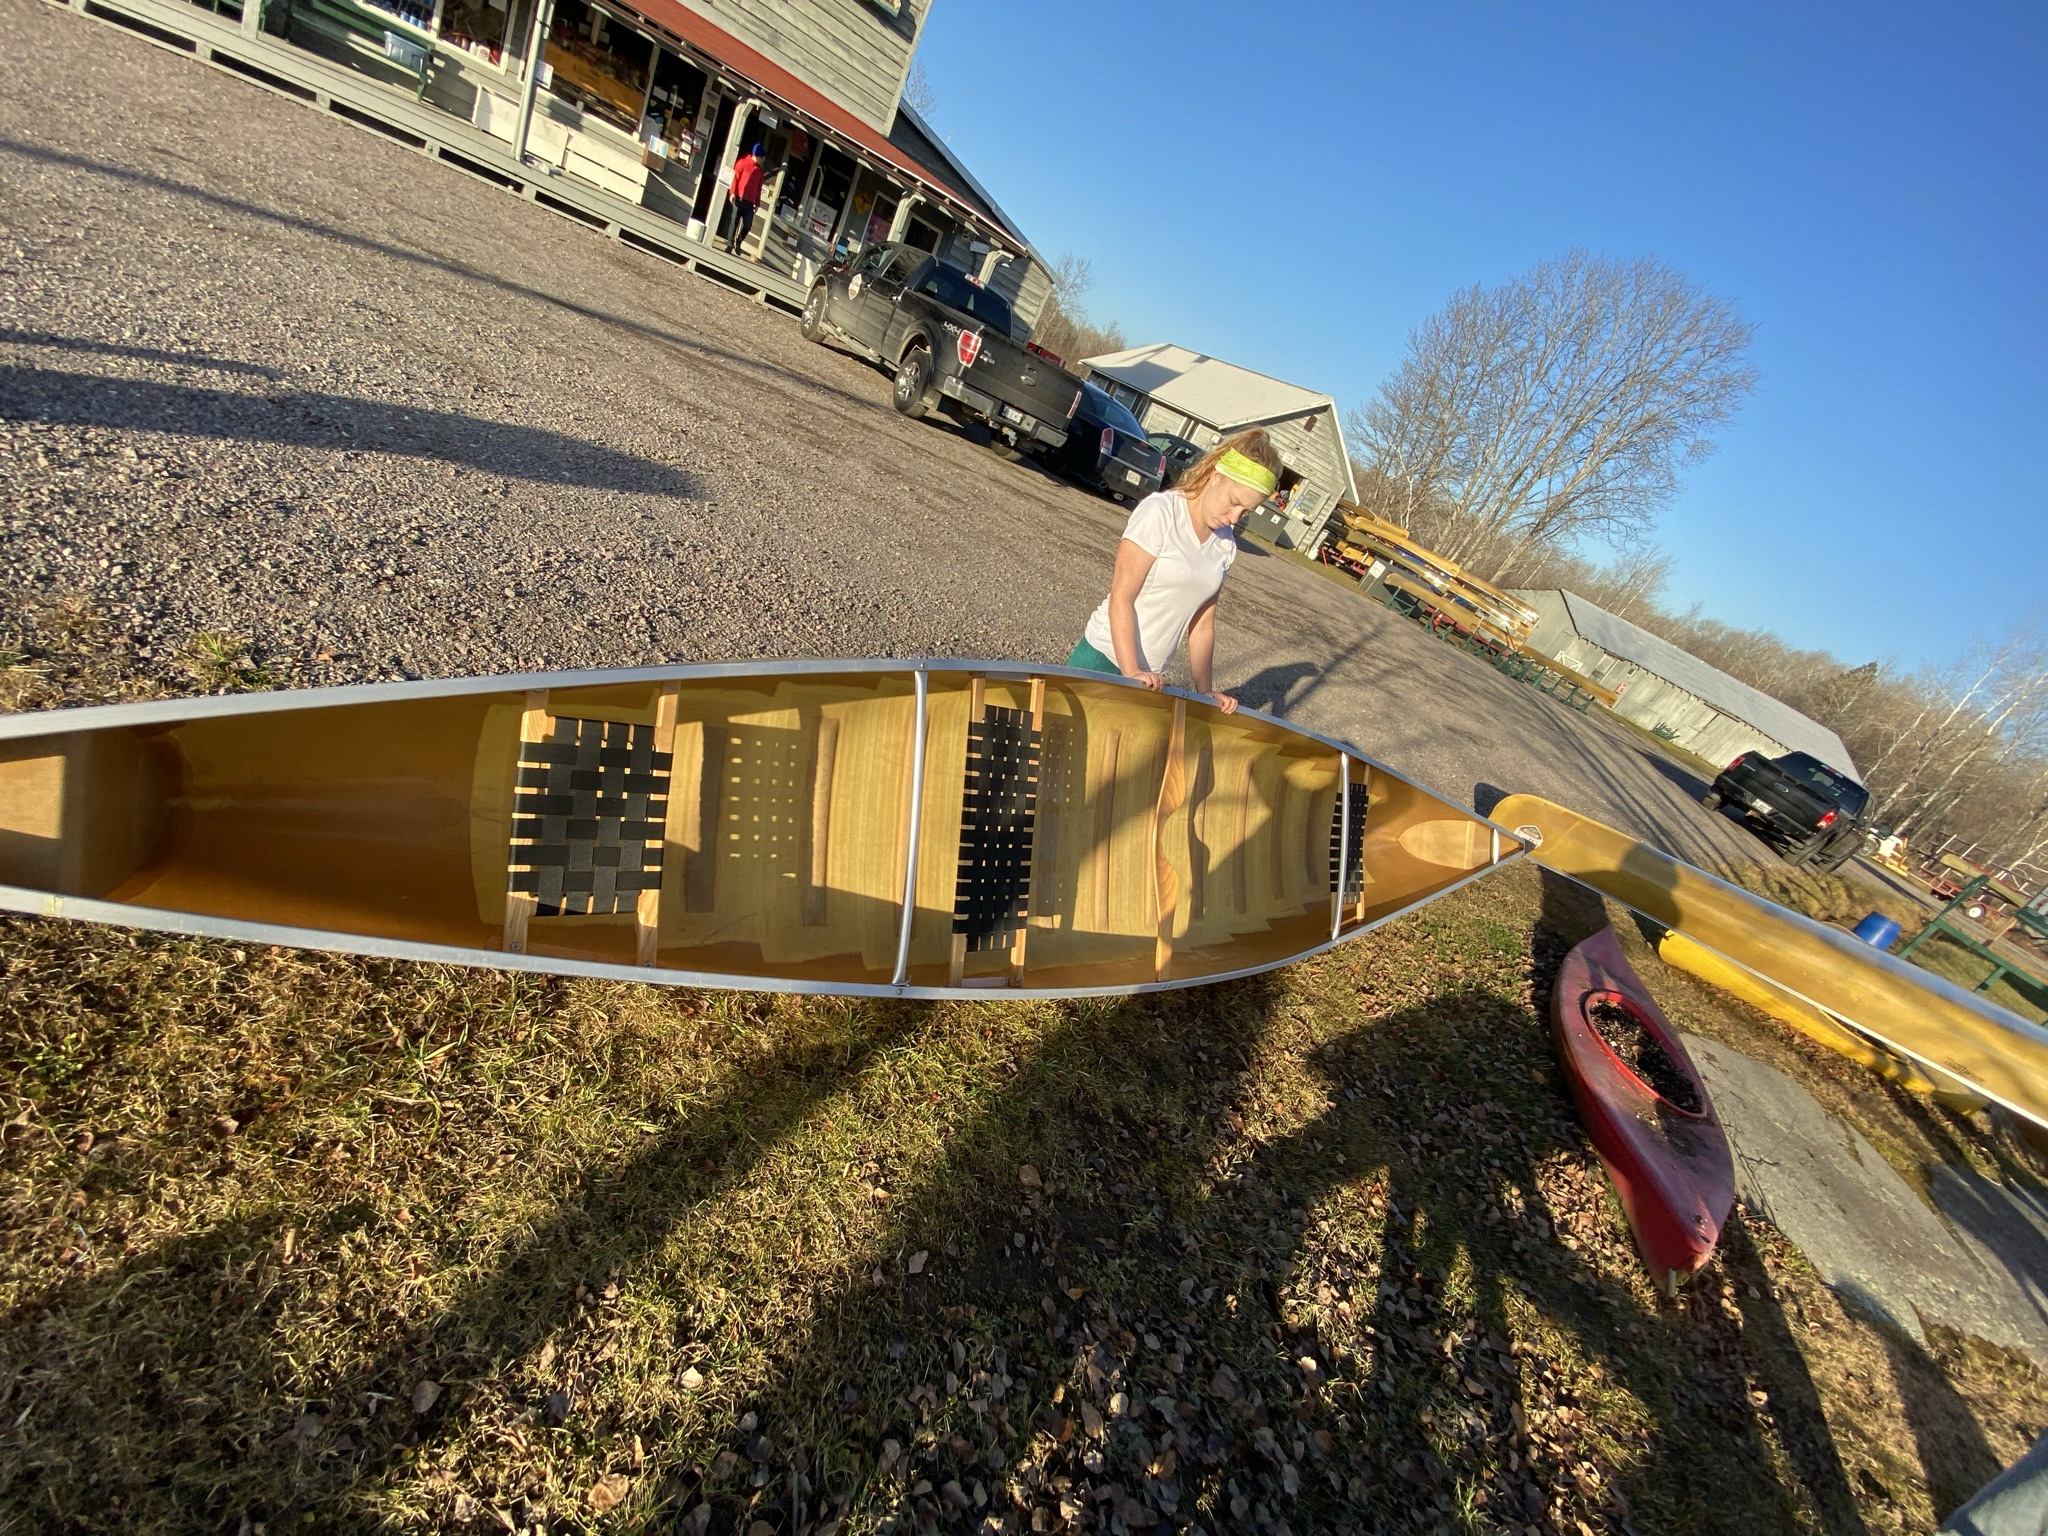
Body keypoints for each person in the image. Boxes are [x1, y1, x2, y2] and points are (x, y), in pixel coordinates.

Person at [1066, 429, 1283, 715]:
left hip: (1152, 678)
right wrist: (1130, 671)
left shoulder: (1225, 544)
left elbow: (1203, 623)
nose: (1234, 518)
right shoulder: (1161, 512)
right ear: (1215, 476)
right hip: (1105, 659)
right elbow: (1122, 597)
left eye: (1246, 512)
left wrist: (1205, 691)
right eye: (1234, 502)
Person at [724, 142, 766, 256]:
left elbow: (759, 187)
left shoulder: (760, 171)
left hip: (750, 201)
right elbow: (735, 179)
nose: (762, 160)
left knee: (747, 225)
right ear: (757, 156)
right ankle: (730, 244)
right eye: (762, 157)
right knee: (734, 222)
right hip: (739, 197)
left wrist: (757, 203)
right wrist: (732, 193)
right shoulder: (742, 163)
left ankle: (739, 241)